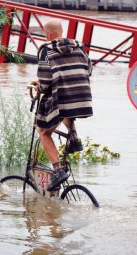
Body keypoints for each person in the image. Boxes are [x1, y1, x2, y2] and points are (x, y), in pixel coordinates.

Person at [35, 19, 93, 191]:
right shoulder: (79, 47)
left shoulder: (46, 50)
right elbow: (89, 69)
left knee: (44, 132)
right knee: (68, 106)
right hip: (83, 99)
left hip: (63, 99)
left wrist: (37, 87)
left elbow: (45, 83)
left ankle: (58, 171)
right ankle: (73, 137)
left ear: (49, 34)